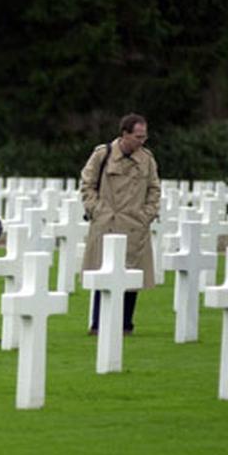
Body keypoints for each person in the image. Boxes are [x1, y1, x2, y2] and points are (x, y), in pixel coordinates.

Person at [80, 113, 161, 335]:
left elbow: (154, 189)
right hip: (107, 223)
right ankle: (98, 324)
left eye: (144, 136)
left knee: (131, 275)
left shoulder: (147, 159)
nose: (141, 141)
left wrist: (146, 215)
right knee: (103, 275)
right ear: (124, 134)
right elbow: (87, 184)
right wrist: (97, 210)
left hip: (134, 226)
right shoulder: (103, 155)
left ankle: (126, 324)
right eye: (137, 136)